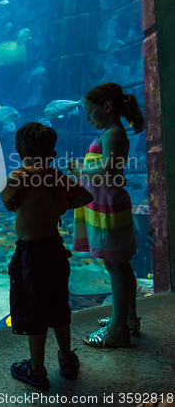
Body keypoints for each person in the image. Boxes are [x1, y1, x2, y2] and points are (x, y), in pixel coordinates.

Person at [1, 122, 93, 389]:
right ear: (52, 154)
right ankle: (66, 359)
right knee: (58, 308)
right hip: (55, 251)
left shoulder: (18, 177)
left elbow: (8, 202)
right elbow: (86, 196)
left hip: (30, 255)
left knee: (34, 312)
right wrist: (61, 203)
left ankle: (37, 370)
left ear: (19, 153)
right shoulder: (58, 178)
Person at [68, 83, 145, 348]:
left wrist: (80, 170)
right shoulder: (111, 133)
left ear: (107, 106)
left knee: (115, 266)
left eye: (90, 111)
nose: (88, 117)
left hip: (107, 209)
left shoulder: (112, 134)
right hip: (105, 206)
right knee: (121, 265)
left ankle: (117, 329)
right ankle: (126, 317)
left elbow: (109, 172)